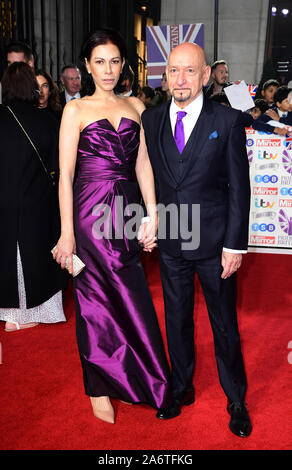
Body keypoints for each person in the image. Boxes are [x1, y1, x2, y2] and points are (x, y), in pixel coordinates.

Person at [53, 29, 172, 424]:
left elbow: (143, 165)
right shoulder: (75, 110)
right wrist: (67, 232)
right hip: (88, 214)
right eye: (100, 61)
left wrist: (153, 214)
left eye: (115, 61)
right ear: (86, 66)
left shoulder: (136, 105)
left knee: (132, 292)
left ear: (123, 65)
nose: (108, 69)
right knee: (94, 299)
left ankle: (148, 377)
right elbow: (66, 175)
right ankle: (99, 384)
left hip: (125, 211)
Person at [141, 42, 252, 438]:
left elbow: (241, 188)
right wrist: (148, 219)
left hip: (216, 244)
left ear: (206, 76)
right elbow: (148, 176)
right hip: (172, 240)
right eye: (174, 71)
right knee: (176, 320)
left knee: (224, 324)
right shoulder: (151, 119)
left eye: (190, 71)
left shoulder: (229, 119)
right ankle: (181, 386)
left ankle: (236, 398)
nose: (181, 79)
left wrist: (235, 245)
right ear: (165, 75)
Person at [0, 62, 67, 332]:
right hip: (38, 202)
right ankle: (35, 313)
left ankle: (10, 314)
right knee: (37, 258)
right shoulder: (46, 120)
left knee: (9, 257)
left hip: (4, 203)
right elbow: (57, 165)